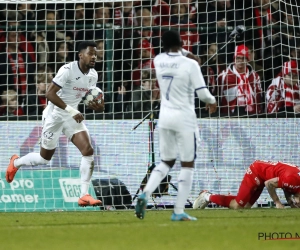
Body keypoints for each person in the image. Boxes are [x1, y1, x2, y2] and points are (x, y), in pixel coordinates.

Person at [5, 41, 105, 207]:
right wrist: (71, 110)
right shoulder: (67, 70)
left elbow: (90, 96)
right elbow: (49, 93)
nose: (94, 56)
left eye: (95, 53)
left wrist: (99, 105)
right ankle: (16, 162)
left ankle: (84, 195)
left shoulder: (93, 75)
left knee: (88, 150)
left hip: (72, 117)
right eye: (90, 53)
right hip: (54, 116)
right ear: (81, 55)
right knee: (44, 159)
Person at [135, 30, 217, 221]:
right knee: (187, 164)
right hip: (184, 118)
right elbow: (203, 93)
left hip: (165, 117)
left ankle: (145, 194)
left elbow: (174, 55)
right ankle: (178, 211)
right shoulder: (191, 64)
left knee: (166, 161)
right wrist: (212, 101)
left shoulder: (158, 60)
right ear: (181, 43)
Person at [193, 160, 300, 210]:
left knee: (246, 207)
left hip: (263, 175)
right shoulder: (293, 180)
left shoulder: (294, 183)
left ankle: (212, 197)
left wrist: (290, 202)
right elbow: (269, 184)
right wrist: (277, 202)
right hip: (256, 172)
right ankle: (207, 196)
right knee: (237, 206)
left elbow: (287, 186)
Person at [218, 44, 263, 116]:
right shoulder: (223, 76)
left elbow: (258, 98)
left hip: (251, 115)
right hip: (228, 116)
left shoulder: (255, 77)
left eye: (243, 58)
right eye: (238, 58)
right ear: (234, 59)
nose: (240, 61)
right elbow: (218, 98)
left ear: (247, 59)